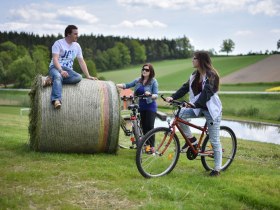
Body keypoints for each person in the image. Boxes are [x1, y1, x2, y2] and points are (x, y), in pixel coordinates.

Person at [165, 51, 222, 176]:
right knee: (179, 114)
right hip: (197, 107)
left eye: (194, 58)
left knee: (214, 140)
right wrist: (172, 97)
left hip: (211, 110)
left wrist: (195, 104)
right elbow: (185, 88)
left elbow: (206, 93)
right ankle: (191, 140)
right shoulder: (194, 75)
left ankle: (217, 169)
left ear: (201, 60)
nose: (192, 60)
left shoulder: (211, 75)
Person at [46, 25, 97, 109]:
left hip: (68, 70)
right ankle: (56, 100)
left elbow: (81, 61)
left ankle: (52, 80)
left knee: (78, 77)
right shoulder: (58, 43)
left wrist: (88, 76)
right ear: (68, 34)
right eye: (75, 34)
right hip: (56, 67)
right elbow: (55, 59)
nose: (77, 35)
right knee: (58, 76)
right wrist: (61, 70)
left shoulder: (77, 46)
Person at [117, 63, 158, 151]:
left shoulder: (153, 81)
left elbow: (156, 95)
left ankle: (152, 147)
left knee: (149, 127)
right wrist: (114, 84)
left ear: (150, 72)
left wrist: (150, 94)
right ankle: (147, 147)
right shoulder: (138, 81)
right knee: (143, 127)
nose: (144, 71)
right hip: (141, 107)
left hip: (150, 107)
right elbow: (127, 85)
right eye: (143, 69)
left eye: (147, 70)